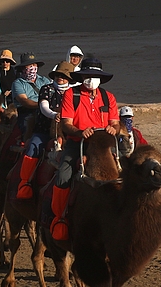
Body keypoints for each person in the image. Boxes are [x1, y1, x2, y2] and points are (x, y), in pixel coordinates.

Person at [49, 58, 119, 240]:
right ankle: (59, 218)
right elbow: (66, 124)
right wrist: (80, 132)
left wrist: (114, 129)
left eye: (94, 76)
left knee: (124, 174)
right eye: (87, 76)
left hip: (102, 145)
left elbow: (116, 123)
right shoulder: (71, 95)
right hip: (77, 143)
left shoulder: (108, 97)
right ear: (82, 77)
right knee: (64, 174)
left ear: (100, 79)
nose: (91, 79)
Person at [15, 60, 73, 200]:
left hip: (69, 132)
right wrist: (54, 115)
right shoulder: (46, 89)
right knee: (33, 147)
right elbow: (44, 106)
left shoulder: (73, 93)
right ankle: (25, 183)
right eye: (58, 74)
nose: (60, 77)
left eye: (64, 75)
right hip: (44, 129)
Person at [10, 53, 47, 135]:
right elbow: (23, 100)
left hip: (47, 111)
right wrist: (42, 105)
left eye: (34, 64)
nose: (32, 67)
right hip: (28, 113)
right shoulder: (18, 83)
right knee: (28, 127)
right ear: (23, 68)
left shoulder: (44, 80)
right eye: (29, 65)